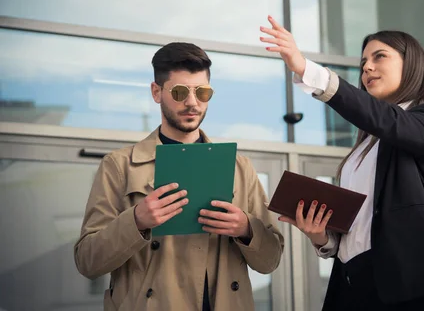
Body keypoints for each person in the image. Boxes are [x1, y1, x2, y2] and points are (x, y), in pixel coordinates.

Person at [260, 17, 424, 310]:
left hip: (408, 289)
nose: (367, 67)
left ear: (412, 64)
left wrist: (308, 70)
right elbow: (360, 230)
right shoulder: (365, 145)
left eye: (379, 57)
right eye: (363, 63)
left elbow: (387, 120)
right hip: (354, 286)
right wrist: (323, 237)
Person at [74, 42, 284, 311]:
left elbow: (270, 261)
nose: (192, 102)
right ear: (156, 92)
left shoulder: (239, 168)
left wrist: (245, 228)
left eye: (203, 92)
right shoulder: (119, 166)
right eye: (180, 91)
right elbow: (87, 262)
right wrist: (136, 221)